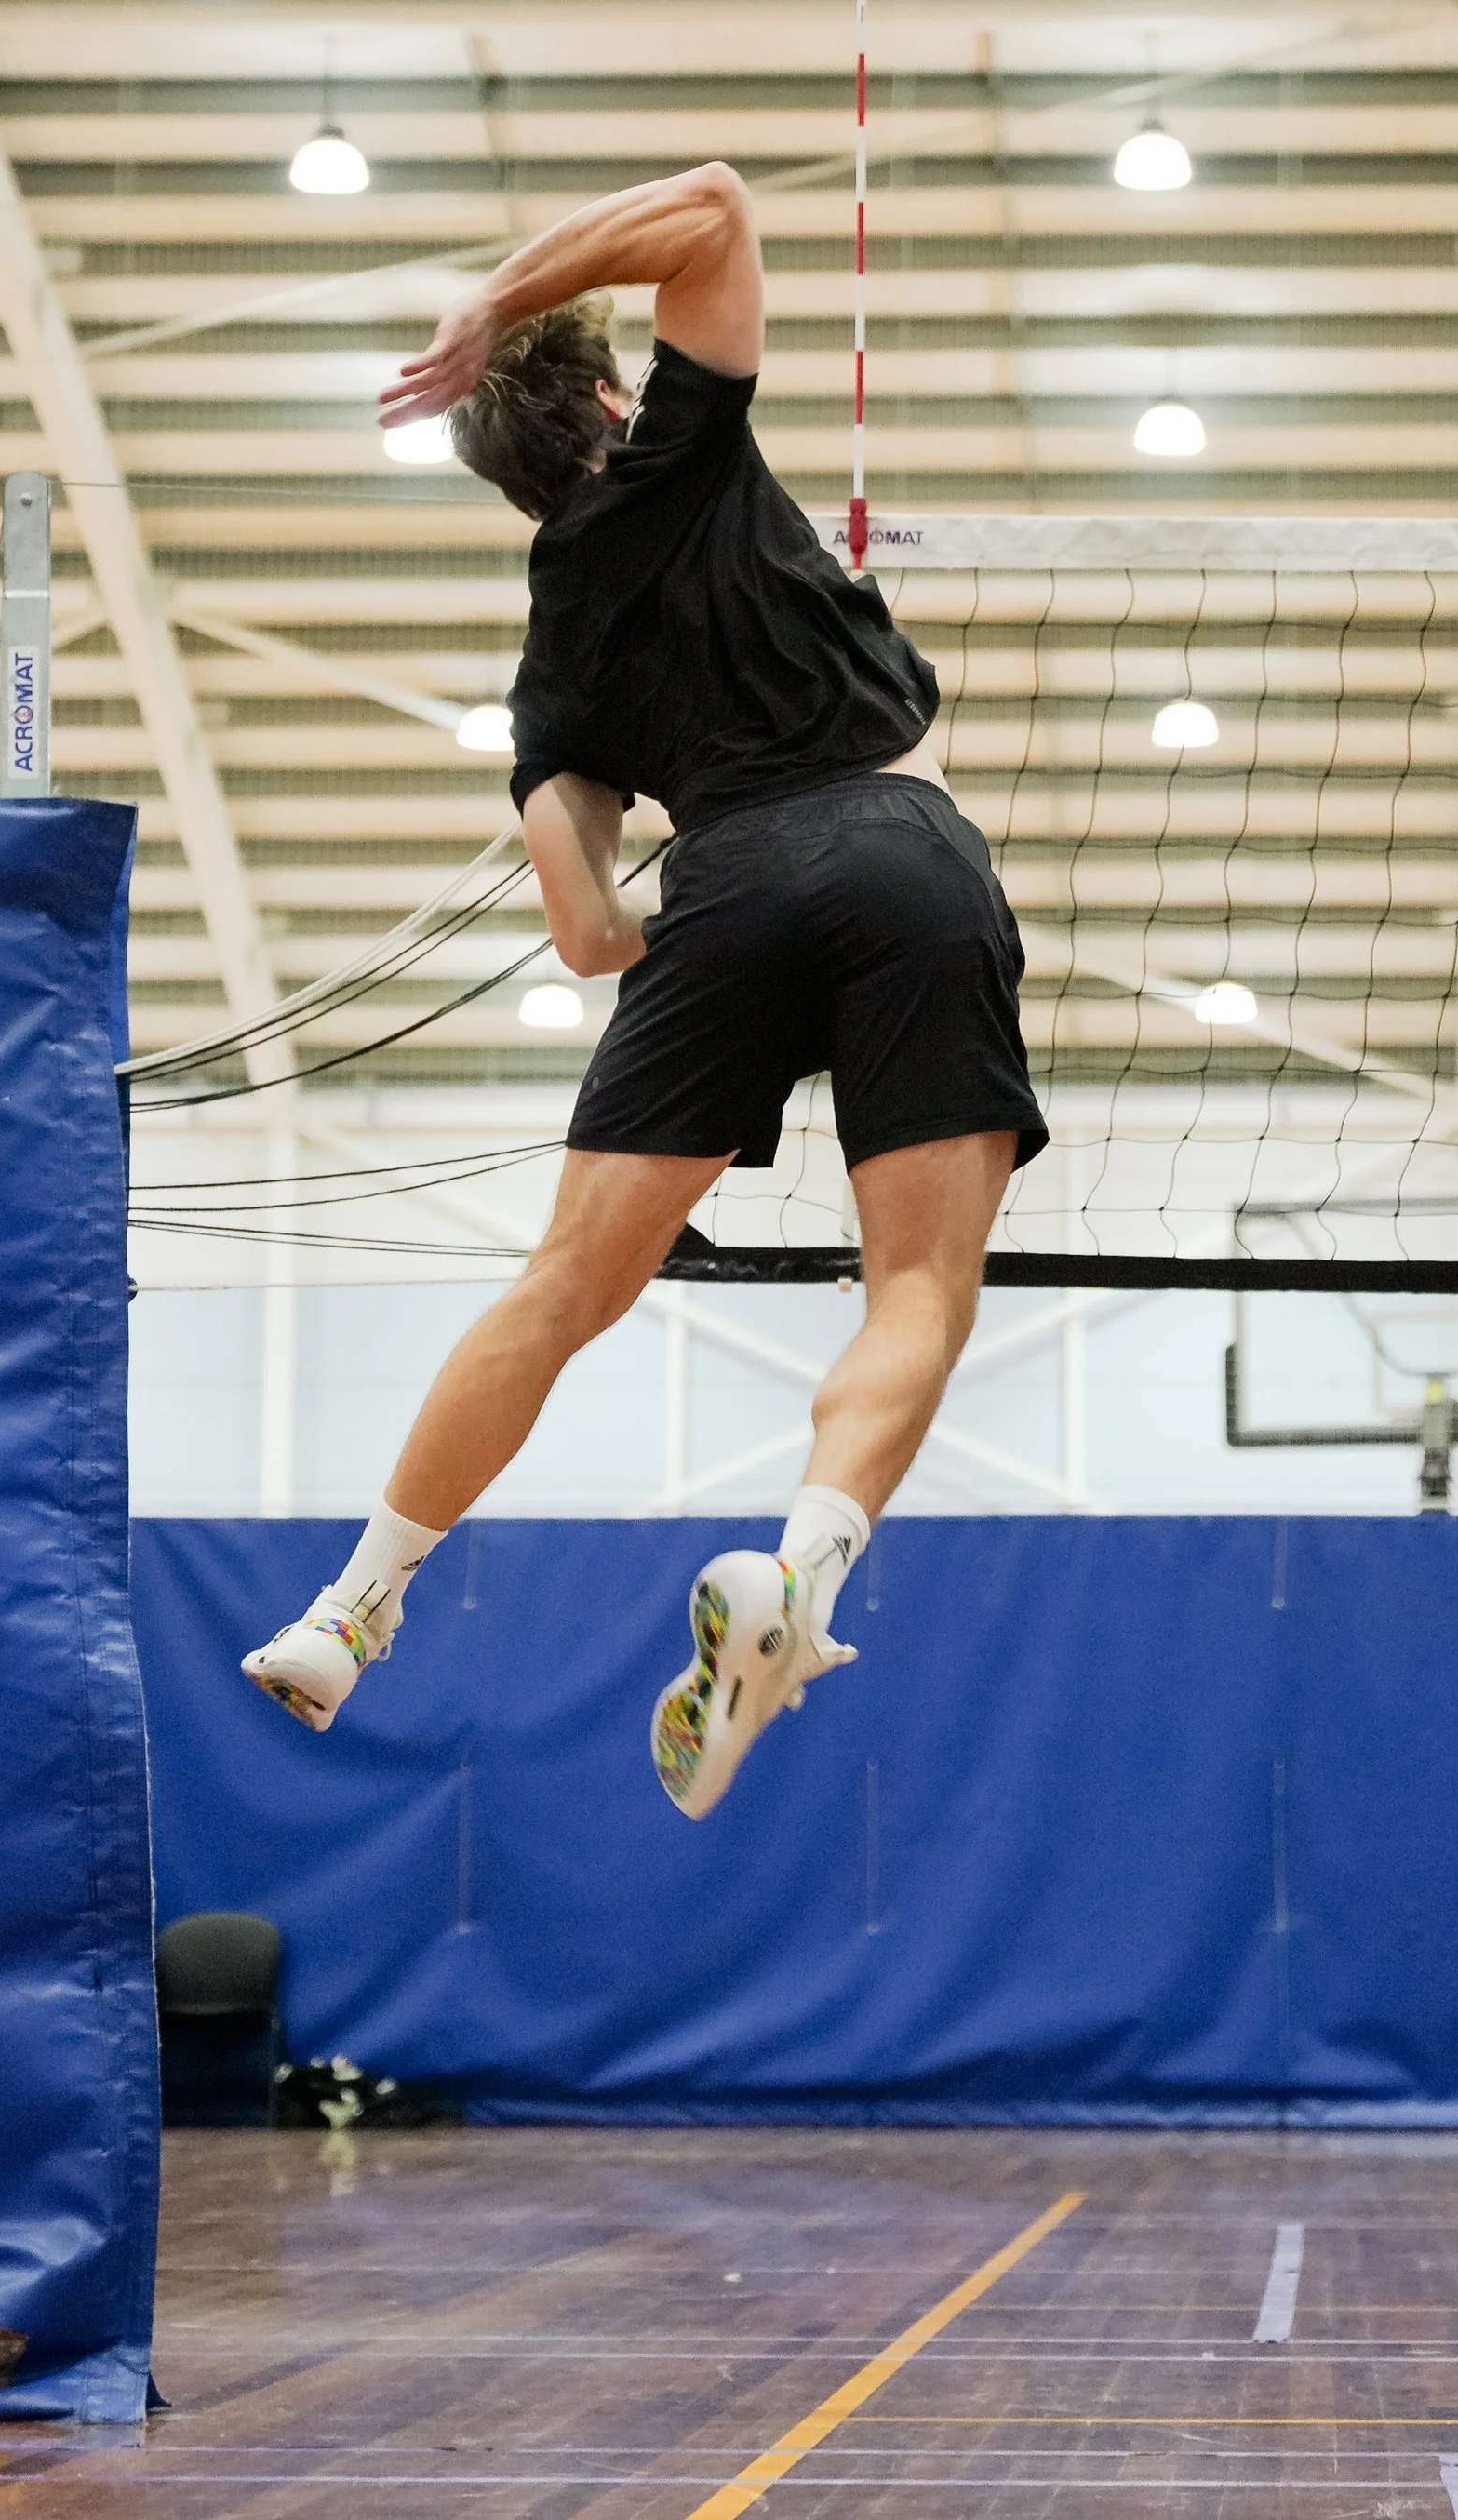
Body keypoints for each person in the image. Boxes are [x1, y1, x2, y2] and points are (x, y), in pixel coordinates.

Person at [240, 158, 1047, 1820]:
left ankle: (352, 1606)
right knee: (919, 1285)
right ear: (613, 393)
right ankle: (803, 1576)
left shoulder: (553, 654)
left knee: (561, 1288)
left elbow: (590, 935)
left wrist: (719, 875)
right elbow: (718, 202)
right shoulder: (682, 448)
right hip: (903, 851)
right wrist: (497, 298)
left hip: (723, 890)